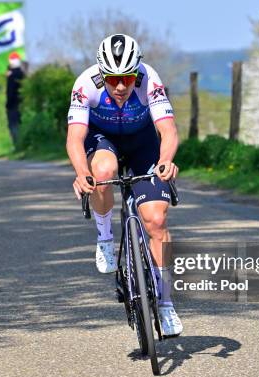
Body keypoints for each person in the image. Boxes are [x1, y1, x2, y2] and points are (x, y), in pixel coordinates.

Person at [66, 34, 183, 337]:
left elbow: (167, 131)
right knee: (103, 171)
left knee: (156, 220)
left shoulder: (149, 80)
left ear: (137, 72)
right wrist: (82, 173)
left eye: (127, 78)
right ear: (102, 74)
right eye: (113, 79)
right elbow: (75, 138)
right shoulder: (85, 84)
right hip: (102, 140)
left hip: (142, 142)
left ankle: (167, 302)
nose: (120, 87)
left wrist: (166, 160)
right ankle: (105, 236)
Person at [5, 51, 25, 149]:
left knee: (14, 125)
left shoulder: (12, 75)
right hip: (21, 104)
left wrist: (8, 104)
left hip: (13, 104)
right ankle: (20, 144)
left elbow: (10, 92)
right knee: (19, 124)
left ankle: (17, 145)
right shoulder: (21, 73)